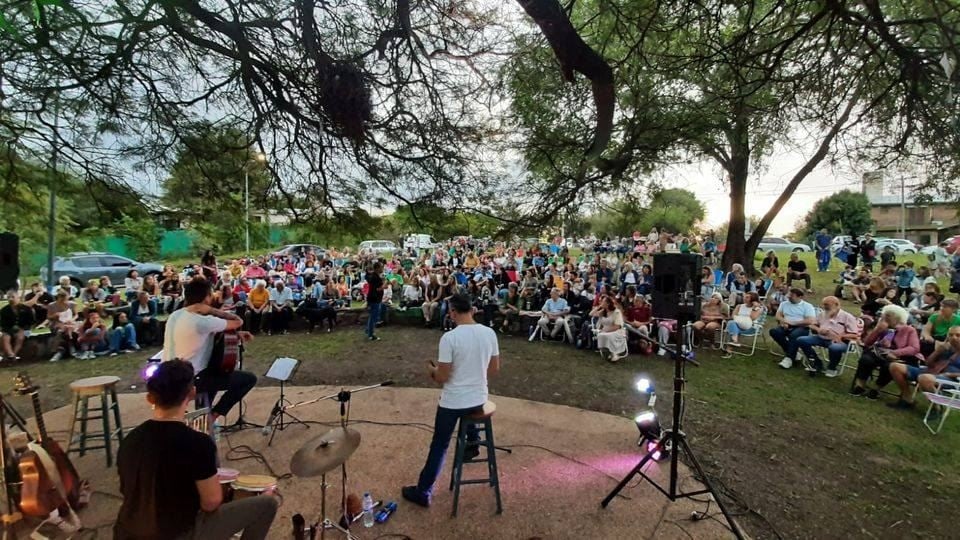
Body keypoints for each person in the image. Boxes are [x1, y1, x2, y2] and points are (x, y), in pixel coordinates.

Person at [114, 359, 277, 540]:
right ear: (192, 392)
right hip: (176, 534)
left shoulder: (130, 439)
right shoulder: (198, 442)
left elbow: (128, 490)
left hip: (126, 532)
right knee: (267, 503)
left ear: (150, 398)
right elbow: (211, 503)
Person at [402, 293, 500, 508]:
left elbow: (442, 377)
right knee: (468, 410)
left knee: (440, 445)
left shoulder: (450, 338)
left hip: (454, 402)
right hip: (478, 398)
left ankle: (423, 491)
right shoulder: (489, 333)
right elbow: (493, 369)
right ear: (472, 310)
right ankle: (472, 442)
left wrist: (430, 369)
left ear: (453, 312)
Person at [161, 277, 256, 422]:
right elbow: (238, 321)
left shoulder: (176, 315)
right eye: (211, 295)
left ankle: (203, 414)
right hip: (191, 379)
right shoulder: (203, 321)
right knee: (248, 379)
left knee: (213, 371)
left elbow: (195, 336)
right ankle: (211, 417)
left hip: (168, 376)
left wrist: (236, 335)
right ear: (206, 298)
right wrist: (212, 310)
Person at [850, 304, 922, 400]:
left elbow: (914, 348)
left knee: (888, 366)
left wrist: (895, 353)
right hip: (879, 353)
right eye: (885, 315)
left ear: (898, 318)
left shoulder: (909, 330)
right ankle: (860, 386)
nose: (885, 318)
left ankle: (875, 389)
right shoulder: (882, 327)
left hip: (899, 356)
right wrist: (877, 330)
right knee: (866, 359)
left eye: (889, 315)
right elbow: (867, 343)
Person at [795, 296, 861, 377]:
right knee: (801, 340)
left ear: (836, 305)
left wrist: (840, 336)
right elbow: (812, 325)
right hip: (821, 337)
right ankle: (816, 363)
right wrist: (818, 330)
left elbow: (854, 334)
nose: (825, 307)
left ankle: (832, 368)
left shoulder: (847, 317)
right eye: (824, 304)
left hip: (839, 341)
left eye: (827, 305)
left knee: (834, 347)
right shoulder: (822, 314)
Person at [770, 288, 816, 369]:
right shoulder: (784, 304)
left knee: (794, 335)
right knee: (774, 332)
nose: (789, 297)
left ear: (800, 297)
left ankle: (789, 358)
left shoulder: (807, 306)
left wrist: (794, 323)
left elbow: (810, 320)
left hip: (802, 327)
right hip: (786, 325)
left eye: (792, 296)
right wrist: (784, 322)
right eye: (789, 295)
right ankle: (794, 353)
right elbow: (778, 315)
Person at [590, 296, 628, 362]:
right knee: (602, 335)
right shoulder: (603, 312)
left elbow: (618, 326)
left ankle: (614, 353)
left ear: (608, 303)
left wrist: (605, 330)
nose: (601, 302)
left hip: (617, 331)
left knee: (607, 335)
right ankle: (611, 352)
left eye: (603, 301)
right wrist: (599, 307)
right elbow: (591, 314)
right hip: (605, 331)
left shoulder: (616, 312)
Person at [47, 290, 81, 362]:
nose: (64, 301)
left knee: (69, 329)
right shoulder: (51, 305)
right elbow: (49, 317)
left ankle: (59, 351)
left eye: (65, 299)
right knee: (63, 330)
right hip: (57, 323)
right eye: (61, 300)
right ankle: (71, 348)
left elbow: (76, 315)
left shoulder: (72, 304)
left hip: (69, 322)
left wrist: (72, 319)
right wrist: (54, 315)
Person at [1, 290, 34, 361]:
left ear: (18, 297)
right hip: (9, 330)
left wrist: (22, 329)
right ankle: (11, 354)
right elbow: (3, 324)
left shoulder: (26, 309)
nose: (10, 299)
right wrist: (11, 329)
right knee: (5, 338)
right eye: (8, 297)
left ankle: (14, 354)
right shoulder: (4, 310)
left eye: (13, 297)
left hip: (26, 330)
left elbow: (31, 322)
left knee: (20, 337)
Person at [365, 262, 387, 341]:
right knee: (373, 317)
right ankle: (371, 334)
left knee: (372, 316)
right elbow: (378, 289)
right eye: (381, 267)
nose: (382, 268)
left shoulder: (375, 276)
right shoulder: (375, 277)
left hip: (374, 299)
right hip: (375, 299)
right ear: (377, 268)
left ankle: (368, 330)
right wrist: (384, 283)